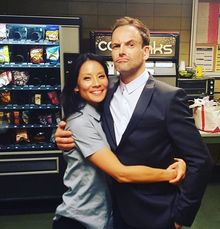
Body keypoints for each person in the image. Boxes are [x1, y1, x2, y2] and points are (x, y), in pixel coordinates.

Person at [55, 17, 213, 229]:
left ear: (146, 51)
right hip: (113, 213)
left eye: (130, 44)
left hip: (156, 214)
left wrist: (180, 217)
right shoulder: (104, 91)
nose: (121, 51)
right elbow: (81, 120)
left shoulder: (169, 98)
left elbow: (200, 160)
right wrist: (58, 135)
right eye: (116, 45)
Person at [52, 52, 186, 229]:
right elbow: (121, 173)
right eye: (87, 78)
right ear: (76, 86)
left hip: (108, 217)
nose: (96, 84)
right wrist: (169, 174)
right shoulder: (79, 122)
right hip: (80, 219)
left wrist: (180, 161)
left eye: (101, 76)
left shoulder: (105, 110)